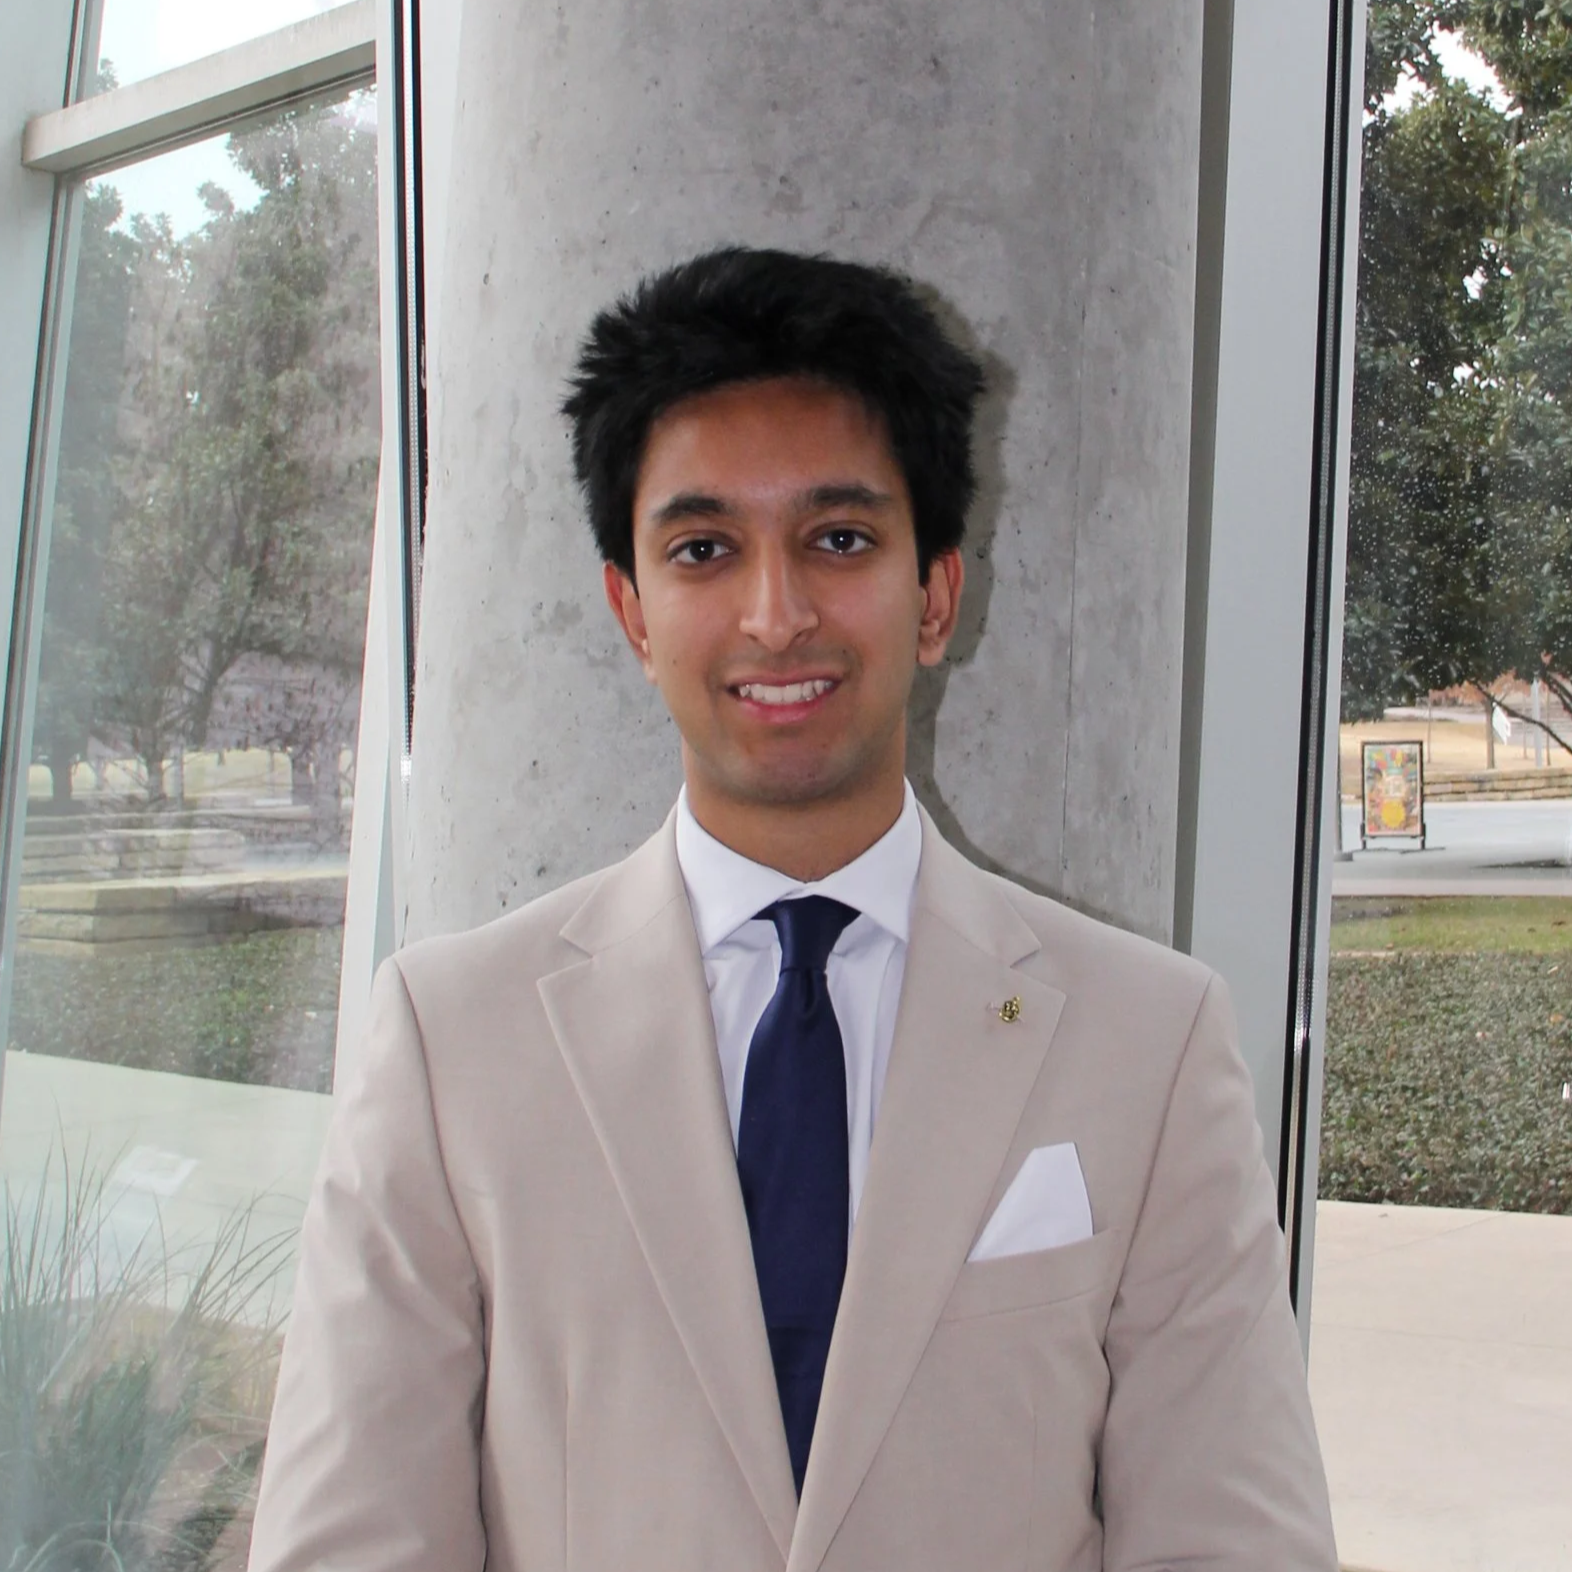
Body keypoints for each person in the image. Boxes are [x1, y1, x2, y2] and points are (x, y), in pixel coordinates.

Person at [247, 247, 1337, 1572]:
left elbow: (1234, 1541)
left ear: (936, 595)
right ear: (632, 612)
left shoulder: (1149, 1044)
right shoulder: (450, 1042)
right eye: (704, 549)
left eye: (839, 540)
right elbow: (352, 1540)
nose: (775, 616)